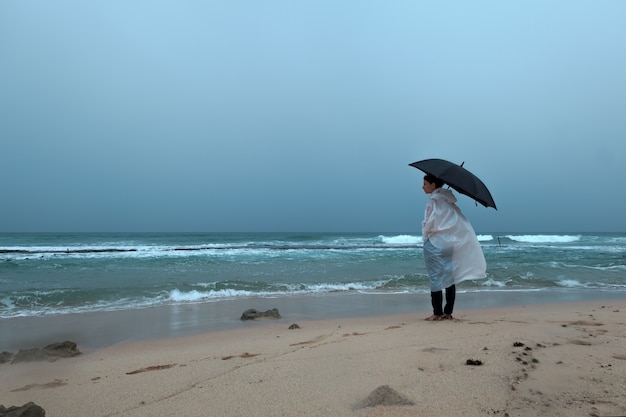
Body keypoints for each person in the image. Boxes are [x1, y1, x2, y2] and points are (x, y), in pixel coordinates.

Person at [421, 174, 486, 321]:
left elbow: (430, 223)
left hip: (435, 243)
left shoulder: (433, 201)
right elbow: (456, 222)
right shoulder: (449, 201)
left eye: (425, 184)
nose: (422, 187)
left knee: (435, 277)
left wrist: (425, 232)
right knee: (450, 276)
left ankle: (437, 312)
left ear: (433, 185)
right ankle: (448, 312)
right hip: (449, 244)